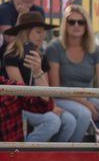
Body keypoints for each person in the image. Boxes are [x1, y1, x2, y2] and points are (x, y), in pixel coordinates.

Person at [43, 4, 99, 144]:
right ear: (65, 24)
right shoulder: (54, 48)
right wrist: (84, 103)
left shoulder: (94, 49)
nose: (76, 25)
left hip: (86, 98)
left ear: (86, 25)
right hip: (61, 98)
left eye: (81, 22)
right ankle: (70, 158)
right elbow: (55, 87)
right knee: (84, 114)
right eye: (71, 22)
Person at [3, 12, 75, 142]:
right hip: (20, 105)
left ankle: (52, 158)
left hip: (40, 102)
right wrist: (49, 107)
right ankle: (26, 155)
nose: (43, 35)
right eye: (38, 31)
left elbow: (45, 87)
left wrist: (51, 105)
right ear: (25, 32)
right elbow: (21, 92)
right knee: (52, 121)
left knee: (70, 121)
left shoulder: (41, 56)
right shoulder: (11, 55)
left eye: (43, 32)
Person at [0, 42, 55, 143]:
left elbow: (44, 104)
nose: (41, 36)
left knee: (58, 120)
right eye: (38, 31)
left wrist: (38, 73)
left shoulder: (10, 87)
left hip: (12, 155)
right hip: (12, 153)